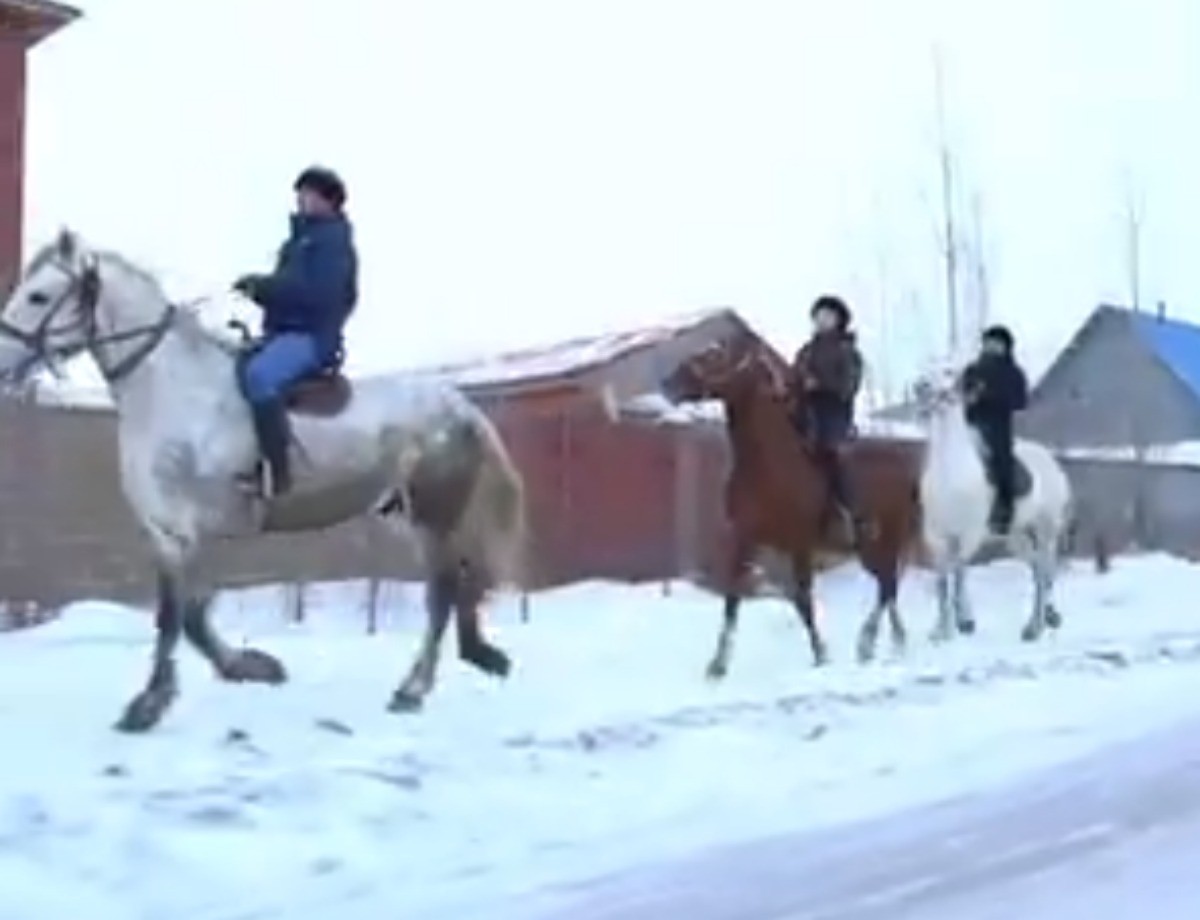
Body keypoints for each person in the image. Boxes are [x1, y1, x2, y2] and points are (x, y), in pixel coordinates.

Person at [233, 166, 359, 497]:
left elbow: (315, 293)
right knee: (235, 364)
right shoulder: (297, 243)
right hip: (284, 332)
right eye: (300, 194)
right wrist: (257, 290)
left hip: (313, 338)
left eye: (308, 194)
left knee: (261, 375)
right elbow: (287, 290)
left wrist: (266, 288)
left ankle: (279, 473)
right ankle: (255, 454)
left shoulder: (333, 245)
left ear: (328, 201)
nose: (301, 200)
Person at [790, 294, 865, 538]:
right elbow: (792, 377)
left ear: (838, 320)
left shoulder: (847, 351)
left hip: (833, 413)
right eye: (818, 316)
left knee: (833, 453)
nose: (821, 320)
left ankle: (852, 512)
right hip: (803, 411)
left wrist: (820, 384)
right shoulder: (805, 351)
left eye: (827, 316)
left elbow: (849, 385)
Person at [962, 324, 1029, 535]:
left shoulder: (1013, 373)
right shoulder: (972, 370)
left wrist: (990, 396)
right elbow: (961, 392)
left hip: (998, 426)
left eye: (996, 344)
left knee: (1002, 460)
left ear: (1005, 347)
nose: (991, 348)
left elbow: (1020, 401)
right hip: (970, 424)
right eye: (988, 343)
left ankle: (1004, 510)